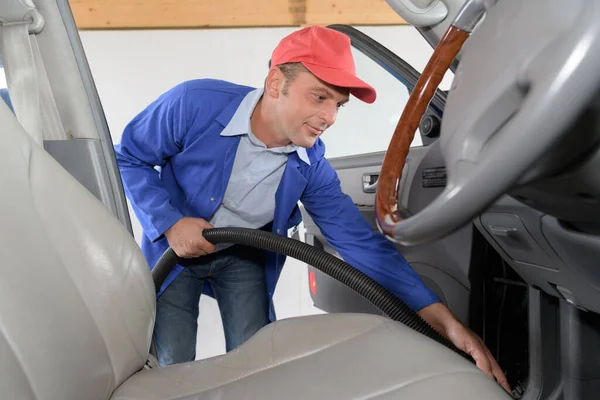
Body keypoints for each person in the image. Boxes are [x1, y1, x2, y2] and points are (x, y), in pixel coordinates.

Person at [114, 25, 510, 393]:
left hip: (243, 255)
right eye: (319, 96)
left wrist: (446, 323)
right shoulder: (194, 103)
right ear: (275, 84)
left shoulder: (310, 166)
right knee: (172, 362)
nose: (330, 117)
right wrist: (170, 223)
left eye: (338, 104)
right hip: (175, 253)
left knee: (257, 363)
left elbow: (361, 246)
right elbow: (128, 156)